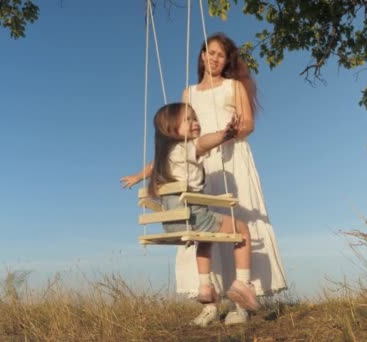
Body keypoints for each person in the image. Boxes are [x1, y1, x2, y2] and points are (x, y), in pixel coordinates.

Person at [121, 32, 287, 326]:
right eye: (209, 52)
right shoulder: (189, 93)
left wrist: (227, 134)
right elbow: (177, 136)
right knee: (203, 230)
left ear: (227, 60)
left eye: (220, 55)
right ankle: (210, 303)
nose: (214, 58)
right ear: (201, 55)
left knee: (235, 220)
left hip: (230, 156)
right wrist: (143, 171)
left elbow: (247, 124)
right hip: (196, 161)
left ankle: (242, 305)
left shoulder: (234, 86)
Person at [147, 102, 259, 311]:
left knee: (205, 241)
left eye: (195, 117)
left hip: (173, 224)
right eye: (187, 119)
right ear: (170, 129)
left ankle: (205, 287)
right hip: (193, 217)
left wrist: (137, 176)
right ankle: (243, 284)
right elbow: (203, 143)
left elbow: (151, 167)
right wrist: (225, 134)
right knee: (242, 229)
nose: (195, 122)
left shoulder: (165, 158)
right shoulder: (187, 148)